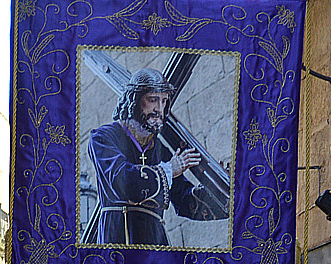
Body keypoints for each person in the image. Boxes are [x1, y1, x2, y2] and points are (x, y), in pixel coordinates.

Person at [88, 68, 228, 246]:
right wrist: (169, 170)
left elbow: (186, 201)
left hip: (155, 240)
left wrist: (219, 189)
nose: (159, 109)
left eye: (164, 101)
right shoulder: (103, 137)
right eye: (152, 100)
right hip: (118, 237)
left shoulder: (160, 150)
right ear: (135, 100)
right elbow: (122, 181)